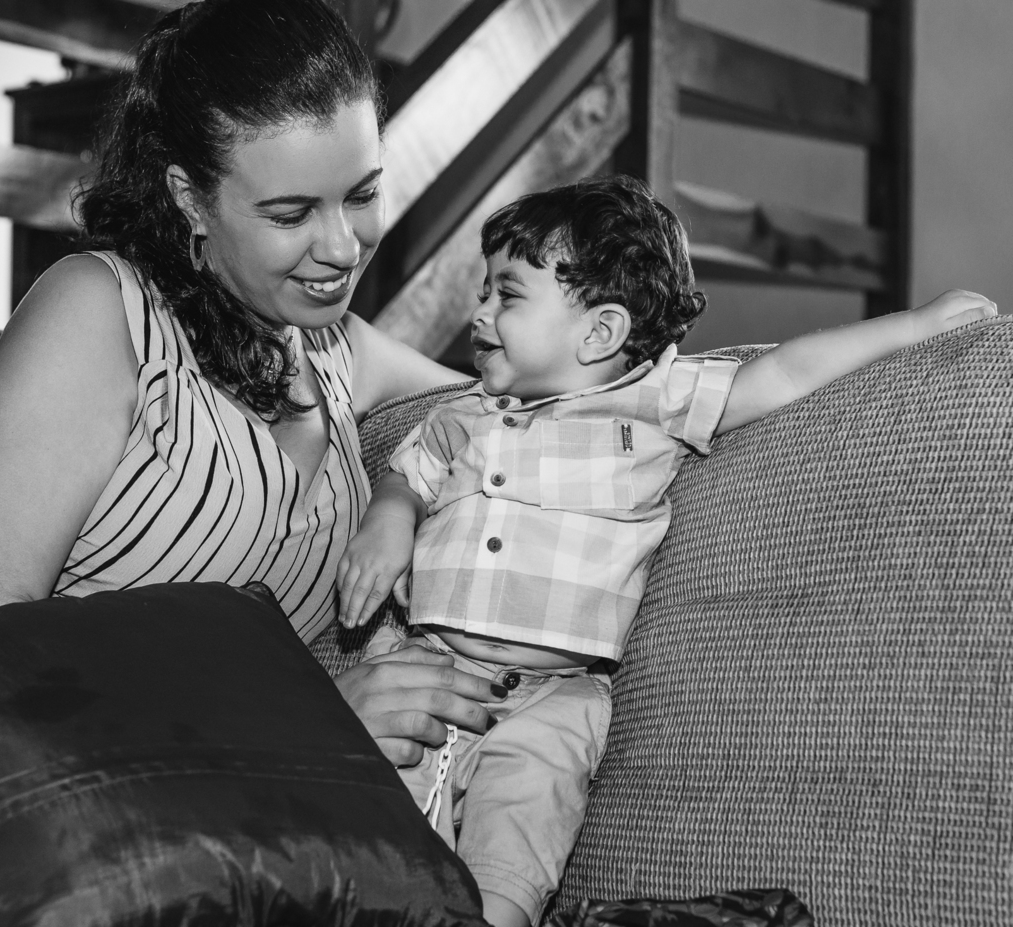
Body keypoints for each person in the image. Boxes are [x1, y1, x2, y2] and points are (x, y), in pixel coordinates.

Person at [0, 2, 501, 924]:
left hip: (156, 831)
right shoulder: (99, 312)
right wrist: (312, 719)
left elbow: (509, 403)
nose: (342, 246)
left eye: (363, 192)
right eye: (290, 212)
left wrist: (397, 493)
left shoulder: (340, 352)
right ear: (188, 197)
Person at [335, 175, 998, 927]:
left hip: (551, 706)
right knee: (377, 866)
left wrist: (914, 324)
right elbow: (407, 478)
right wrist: (387, 520)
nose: (478, 312)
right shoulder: (464, 416)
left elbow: (783, 371)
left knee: (510, 864)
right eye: (484, 291)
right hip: (423, 670)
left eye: (506, 295)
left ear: (600, 333)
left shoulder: (656, 403)